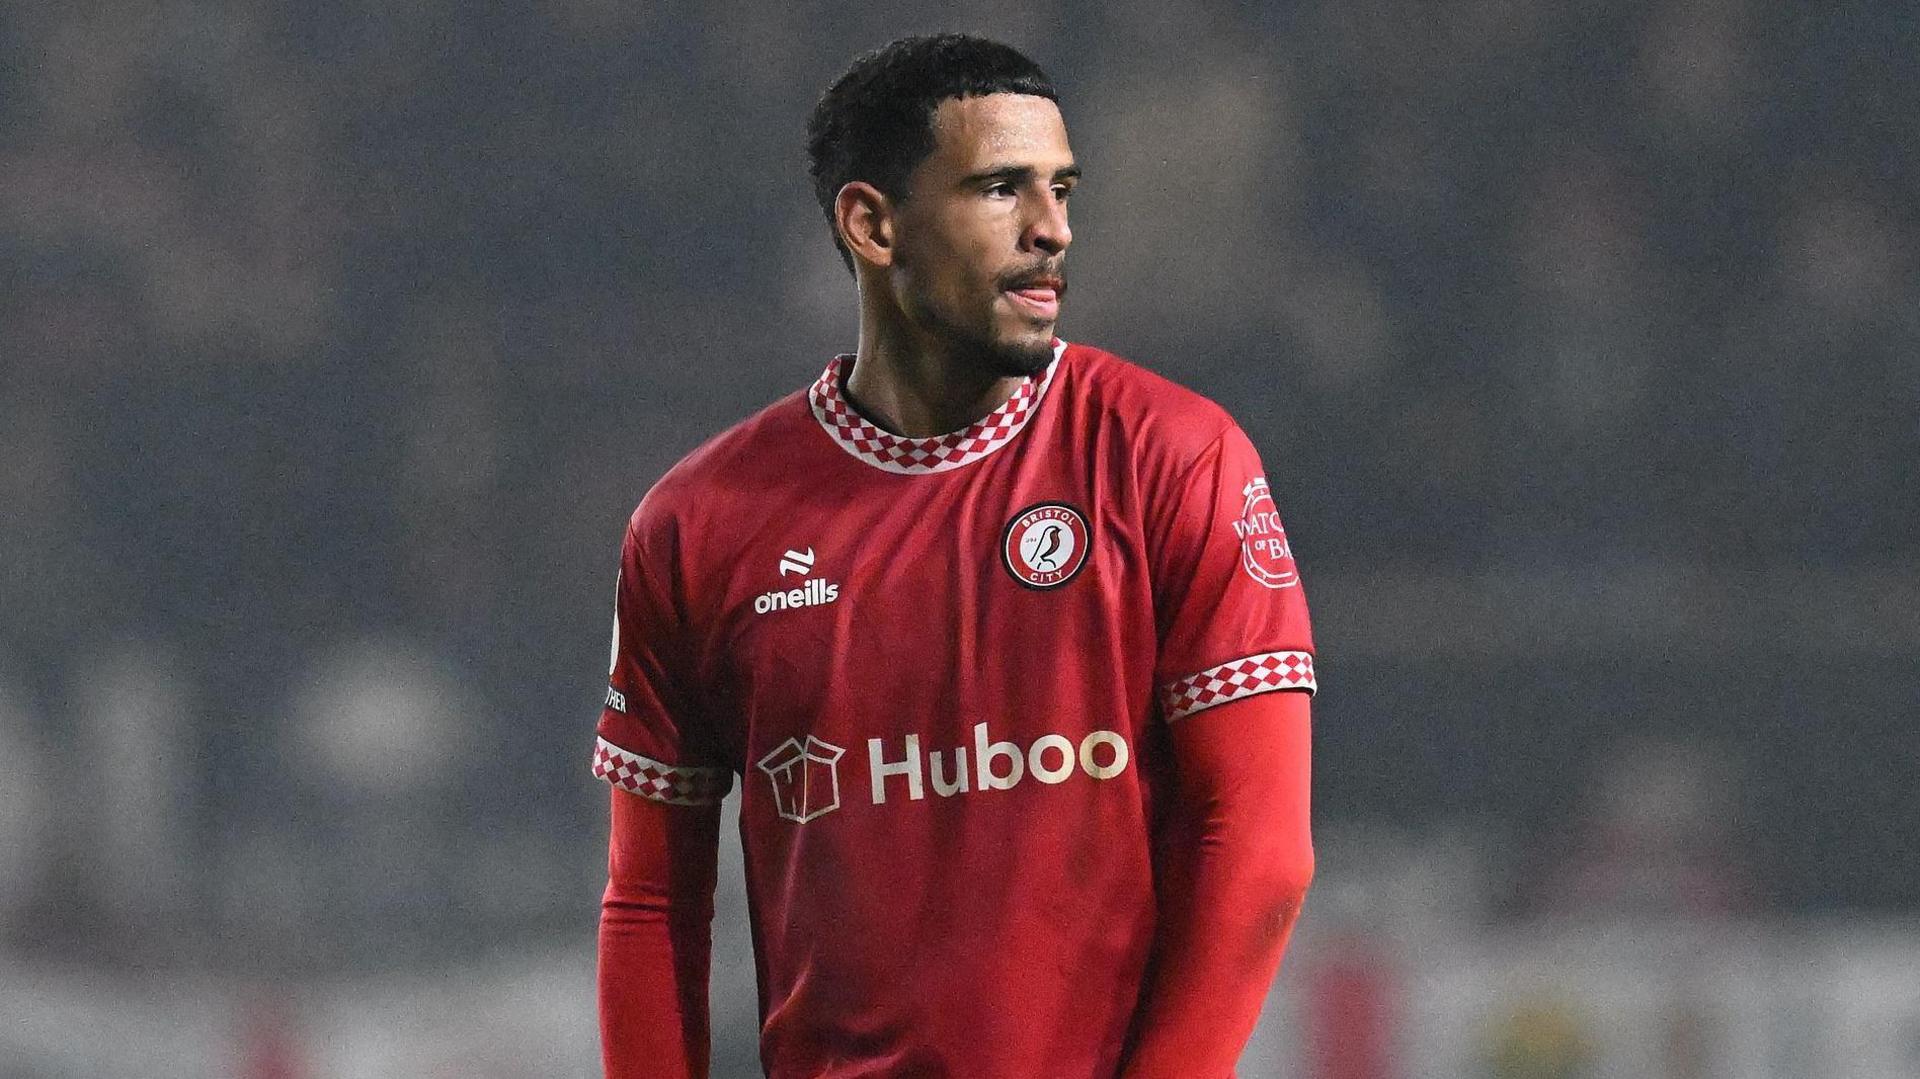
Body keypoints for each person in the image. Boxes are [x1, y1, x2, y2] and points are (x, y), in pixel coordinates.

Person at [594, 33, 1317, 1079]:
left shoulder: (1174, 458)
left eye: (1062, 188)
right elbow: (652, 898)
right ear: (872, 223)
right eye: (1000, 189)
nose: (1052, 228)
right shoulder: (696, 524)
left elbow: (1259, 850)